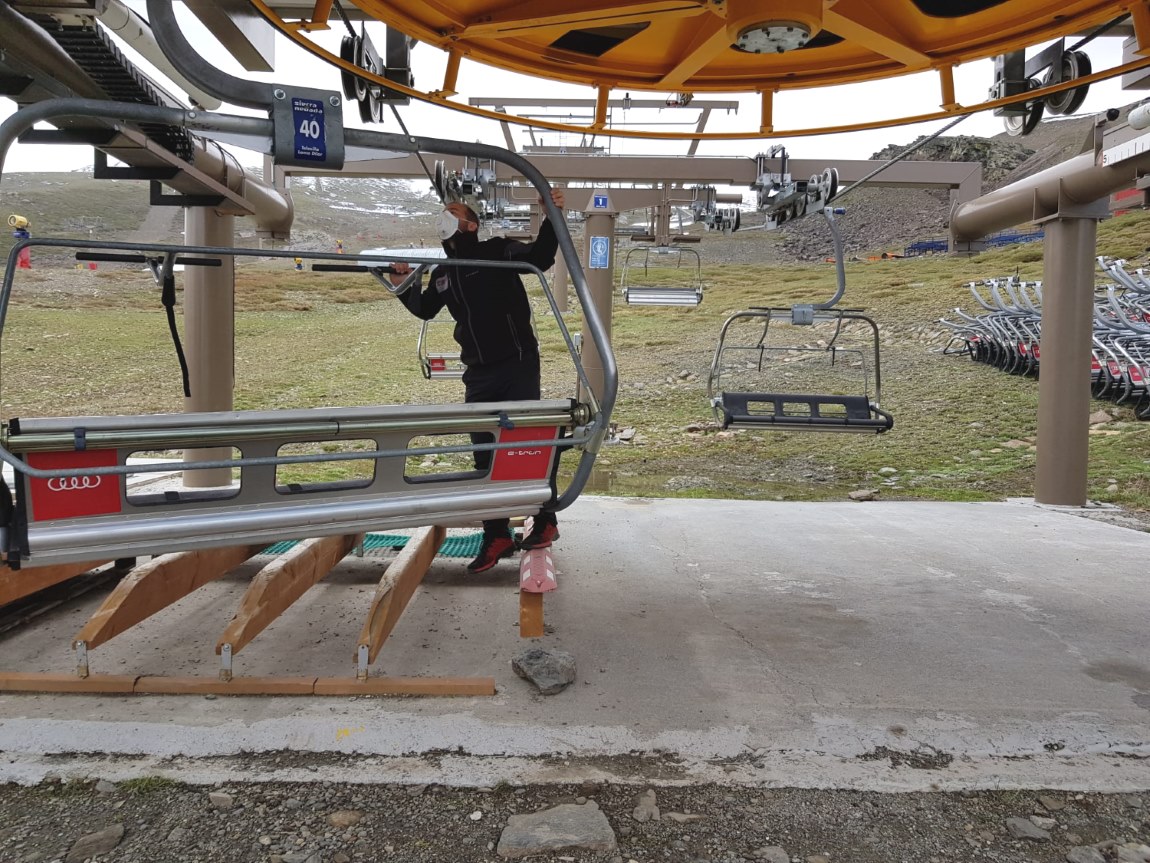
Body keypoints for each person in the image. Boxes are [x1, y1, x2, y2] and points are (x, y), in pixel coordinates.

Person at [390, 190, 565, 573]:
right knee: (484, 452)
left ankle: (545, 520)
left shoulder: (497, 251)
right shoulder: (443, 274)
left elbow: (539, 257)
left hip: (516, 362)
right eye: (443, 213)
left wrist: (551, 214)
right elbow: (424, 309)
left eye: (452, 212)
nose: (445, 217)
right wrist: (402, 283)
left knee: (525, 444)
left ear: (470, 224)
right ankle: (496, 533)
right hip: (478, 372)